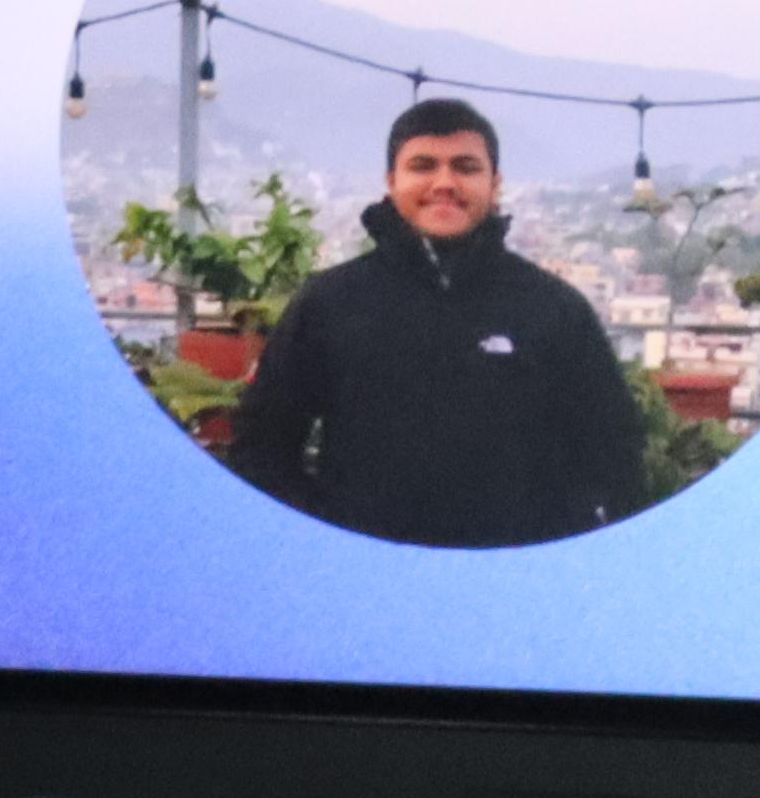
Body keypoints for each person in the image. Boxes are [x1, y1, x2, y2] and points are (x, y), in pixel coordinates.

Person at [232, 100, 651, 550]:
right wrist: (325, 536)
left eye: (466, 167)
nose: (445, 183)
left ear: (495, 184)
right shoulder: (331, 303)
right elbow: (263, 444)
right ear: (391, 181)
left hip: (510, 571)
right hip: (366, 570)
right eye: (423, 166)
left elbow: (614, 454)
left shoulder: (553, 310)